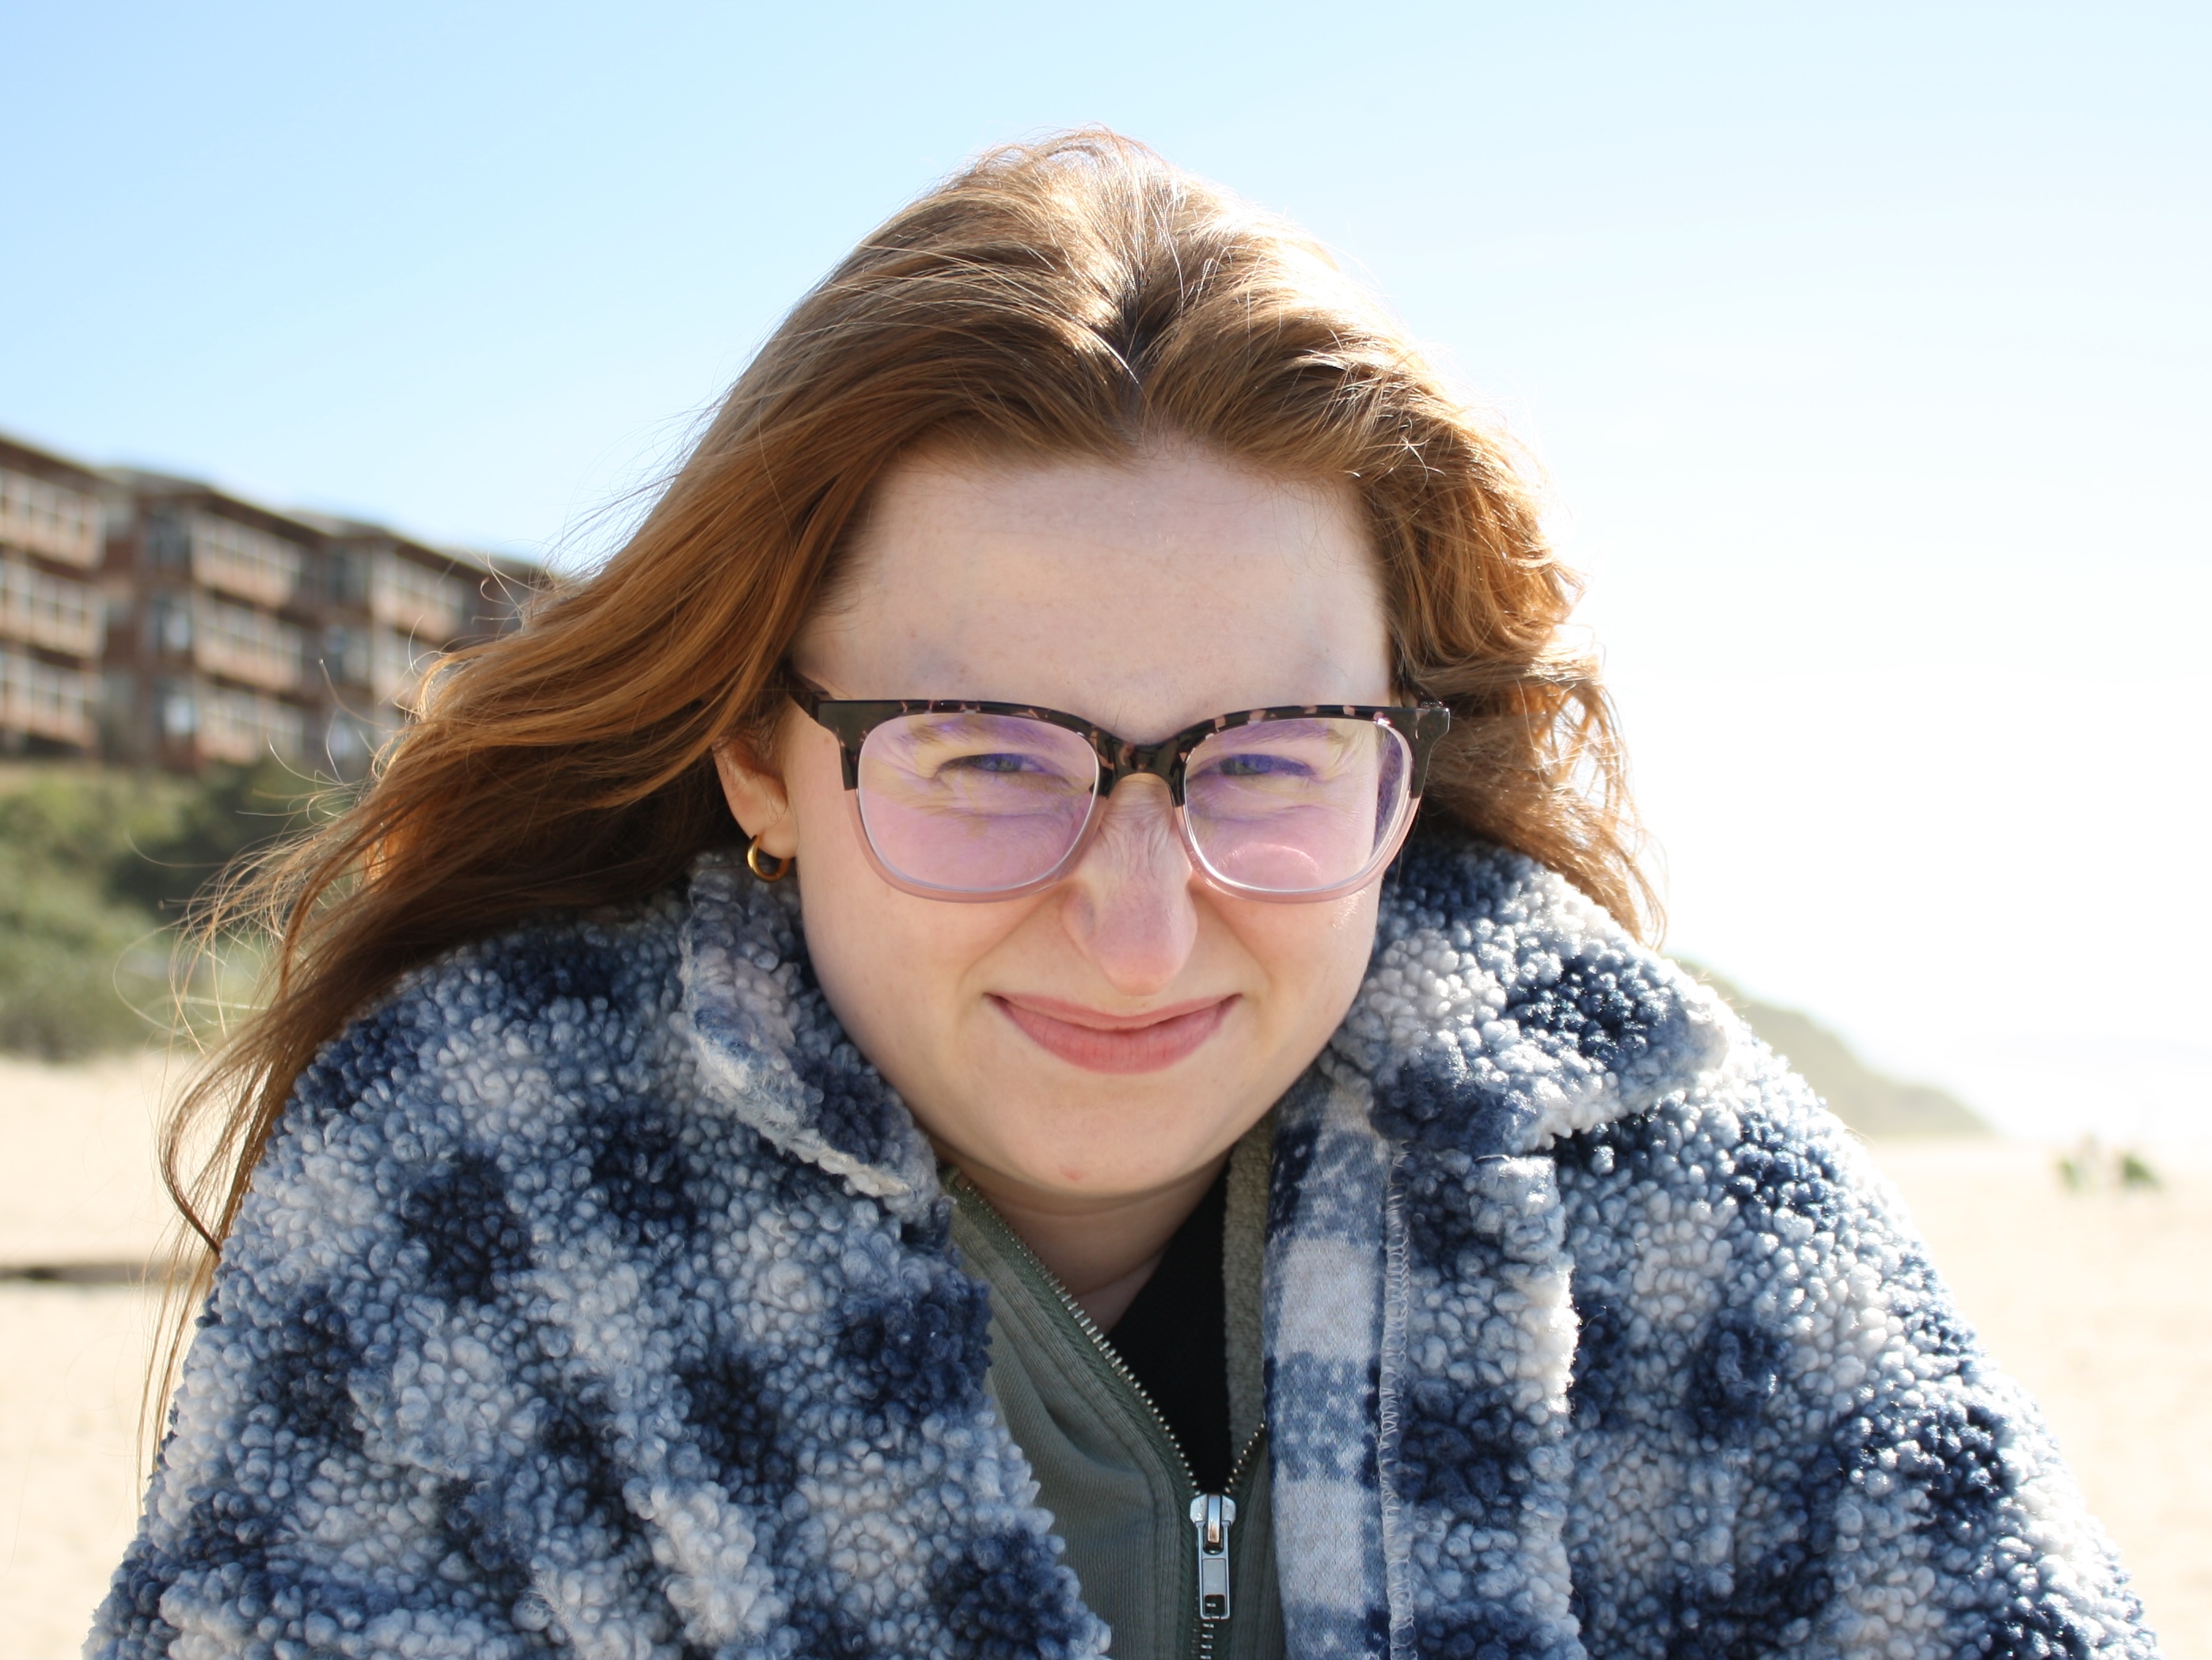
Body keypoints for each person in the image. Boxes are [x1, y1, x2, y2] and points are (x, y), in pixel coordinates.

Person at [92, 131, 2155, 1660]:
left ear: (1395, 767)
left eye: (1263, 760)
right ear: (758, 752)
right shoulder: (481, 1201)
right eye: (987, 760)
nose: (1142, 924)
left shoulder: (1658, 1182)